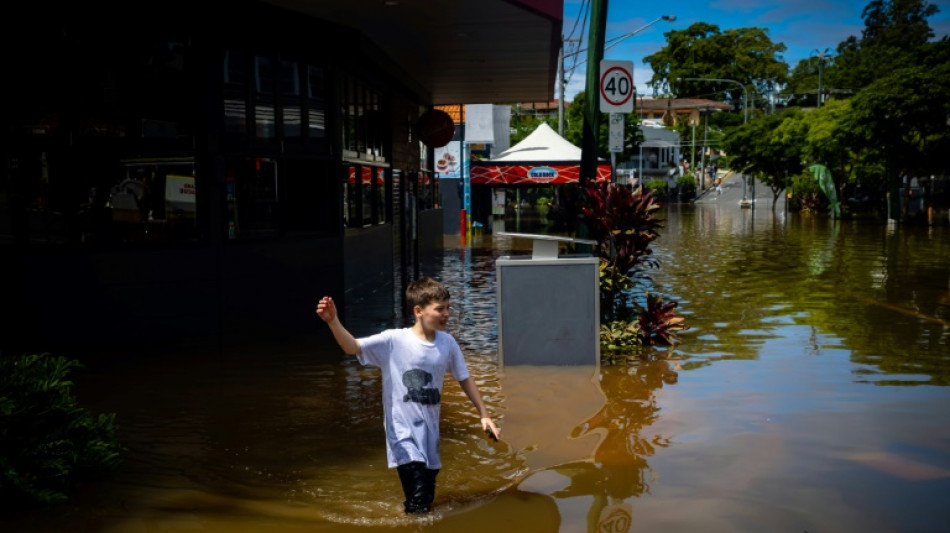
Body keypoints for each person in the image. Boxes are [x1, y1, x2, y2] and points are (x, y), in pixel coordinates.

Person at [315, 277, 501, 514]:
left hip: (430, 432)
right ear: (418, 311)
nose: (447, 314)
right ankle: (415, 526)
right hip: (401, 431)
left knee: (426, 496)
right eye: (440, 309)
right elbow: (353, 347)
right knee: (419, 498)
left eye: (448, 307)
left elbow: (464, 378)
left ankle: (410, 518)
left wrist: (484, 414)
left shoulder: (447, 343)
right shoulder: (393, 340)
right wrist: (333, 321)